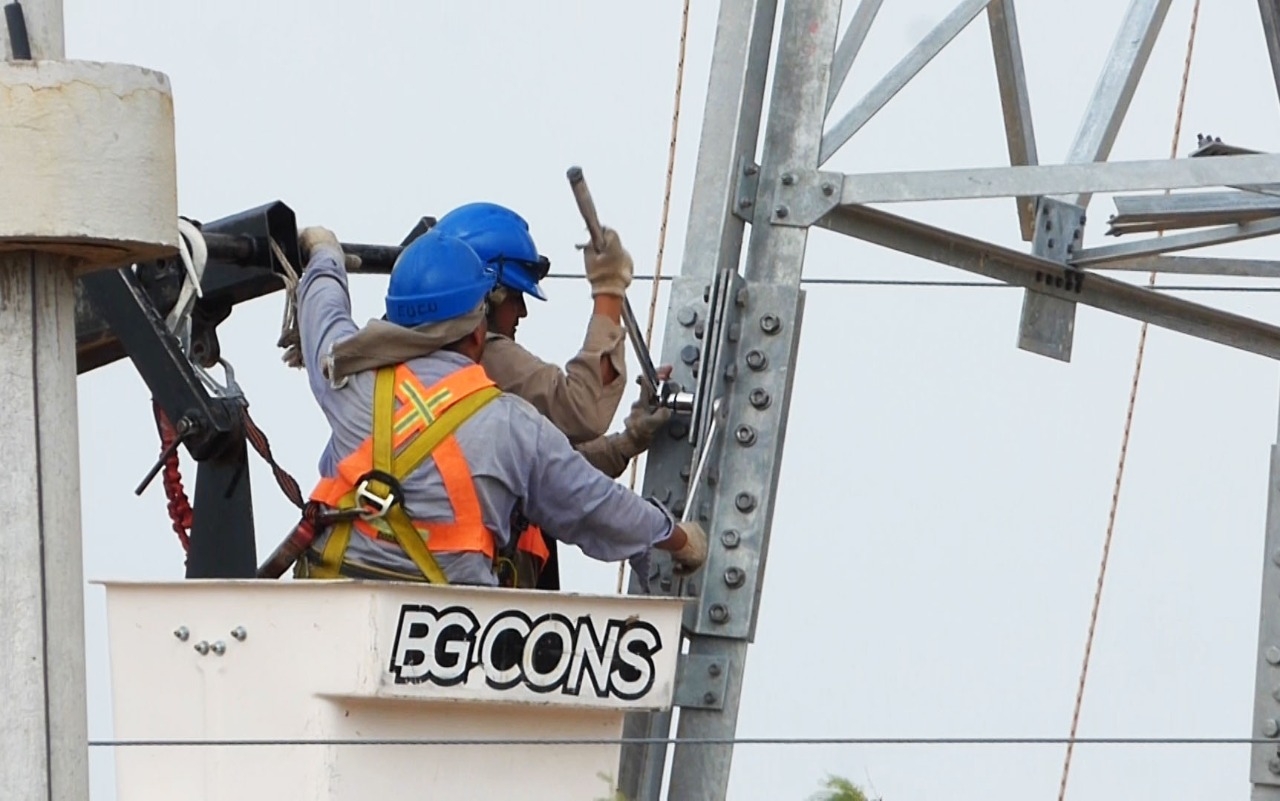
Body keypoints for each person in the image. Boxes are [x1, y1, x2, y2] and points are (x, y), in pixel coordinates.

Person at [290, 225, 706, 586]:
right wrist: (678, 538)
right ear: (477, 331)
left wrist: (325, 254)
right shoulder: (511, 424)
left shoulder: (346, 375)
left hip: (328, 601)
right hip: (446, 621)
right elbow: (594, 503)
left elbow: (323, 311)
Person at [429, 202, 675, 588]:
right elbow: (582, 408)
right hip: (478, 594)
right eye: (516, 296)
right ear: (486, 296)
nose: (522, 312)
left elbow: (550, 469)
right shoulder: (481, 355)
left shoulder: (420, 366)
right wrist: (609, 291)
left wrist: (627, 443)